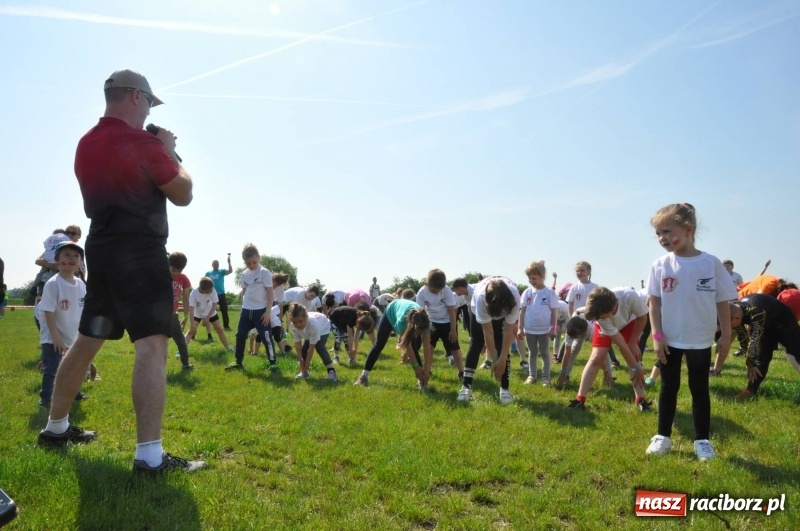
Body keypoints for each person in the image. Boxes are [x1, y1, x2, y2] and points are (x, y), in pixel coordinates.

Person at [36, 68, 204, 473]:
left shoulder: (86, 142)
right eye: (148, 103)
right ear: (135, 97)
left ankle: (56, 428)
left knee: (87, 339)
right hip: (140, 250)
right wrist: (169, 151)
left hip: (102, 246)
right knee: (153, 343)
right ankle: (150, 456)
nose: (149, 112)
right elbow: (183, 194)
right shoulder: (144, 142)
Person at [645, 203, 736, 462]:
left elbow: (722, 301)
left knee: (700, 390)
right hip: (669, 339)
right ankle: (662, 436)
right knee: (668, 387)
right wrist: (657, 337)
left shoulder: (710, 263)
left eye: (667, 231)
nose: (662, 238)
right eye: (658, 233)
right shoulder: (660, 265)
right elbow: (654, 303)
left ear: (688, 229)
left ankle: (702, 441)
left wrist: (726, 335)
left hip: (700, 339)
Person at [563, 287, 650, 411]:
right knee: (596, 357)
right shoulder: (601, 317)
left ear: (613, 310)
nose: (599, 319)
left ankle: (641, 400)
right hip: (607, 325)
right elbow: (621, 345)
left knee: (633, 356)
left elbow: (642, 318)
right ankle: (579, 399)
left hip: (629, 324)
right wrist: (636, 368)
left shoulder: (630, 296)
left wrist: (633, 342)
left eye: (601, 317)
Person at [35, 242, 87, 409]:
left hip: (72, 335)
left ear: (80, 263)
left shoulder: (81, 284)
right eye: (67, 255)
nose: (72, 258)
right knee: (52, 368)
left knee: (74, 367)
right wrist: (55, 337)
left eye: (76, 256)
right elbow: (48, 311)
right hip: (53, 336)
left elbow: (82, 310)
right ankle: (46, 399)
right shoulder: (53, 283)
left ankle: (74, 392)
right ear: (57, 261)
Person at [456, 277, 520, 405]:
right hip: (479, 307)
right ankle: (466, 387)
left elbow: (508, 332)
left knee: (500, 343)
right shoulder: (481, 299)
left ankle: (505, 389)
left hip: (503, 305)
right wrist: (495, 361)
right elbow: (488, 333)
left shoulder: (514, 299)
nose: (496, 318)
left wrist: (502, 360)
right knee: (476, 342)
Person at [728, 295, 800, 399]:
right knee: (760, 359)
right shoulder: (737, 311)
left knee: (796, 353)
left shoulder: (756, 312)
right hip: (767, 327)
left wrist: (749, 362)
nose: (730, 327)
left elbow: (754, 341)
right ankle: (750, 390)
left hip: (785, 323)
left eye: (730, 325)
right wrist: (750, 364)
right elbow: (742, 338)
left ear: (736, 318)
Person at [354, 299, 433, 389]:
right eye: (417, 332)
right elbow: (408, 346)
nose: (418, 335)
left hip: (409, 314)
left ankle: (422, 381)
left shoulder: (426, 323)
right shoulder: (401, 322)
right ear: (412, 327)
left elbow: (427, 347)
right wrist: (416, 367)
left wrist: (427, 370)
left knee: (415, 346)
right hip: (391, 310)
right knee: (379, 344)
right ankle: (363, 376)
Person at [228, 243, 276, 372]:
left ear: (259, 258)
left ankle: (273, 364)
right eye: (248, 263)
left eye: (254, 262)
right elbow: (244, 291)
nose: (252, 265)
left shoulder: (265, 272)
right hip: (246, 310)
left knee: (266, 337)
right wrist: (242, 307)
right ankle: (238, 362)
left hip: (261, 311)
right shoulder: (244, 274)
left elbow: (270, 293)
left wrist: (268, 311)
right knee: (240, 335)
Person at [416, 269, 465, 380]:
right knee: (429, 347)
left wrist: (453, 330)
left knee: (454, 348)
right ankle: (427, 370)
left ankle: (462, 372)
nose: (436, 292)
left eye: (439, 290)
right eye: (433, 291)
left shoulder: (446, 290)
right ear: (427, 284)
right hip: (431, 322)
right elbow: (420, 311)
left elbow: (452, 311)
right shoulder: (422, 292)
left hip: (447, 323)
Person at [517, 261, 559, 386]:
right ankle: (532, 375)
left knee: (545, 353)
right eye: (529, 278)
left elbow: (554, 313)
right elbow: (522, 311)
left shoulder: (550, 293)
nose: (532, 281)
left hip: (545, 330)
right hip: (530, 329)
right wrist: (520, 328)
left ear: (542, 276)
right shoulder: (527, 292)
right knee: (532, 353)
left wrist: (553, 328)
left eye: (534, 278)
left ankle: (546, 378)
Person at [287, 304, 338, 381]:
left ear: (306, 317)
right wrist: (300, 359)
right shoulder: (293, 326)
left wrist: (306, 365)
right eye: (295, 322)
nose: (298, 325)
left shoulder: (313, 325)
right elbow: (298, 344)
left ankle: (331, 371)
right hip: (310, 332)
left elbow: (311, 349)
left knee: (319, 347)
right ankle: (304, 372)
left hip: (323, 327)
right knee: (304, 349)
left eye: (300, 321)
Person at [185, 277, 234, 352]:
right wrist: (192, 325)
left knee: (219, 329)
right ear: (202, 289)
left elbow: (215, 304)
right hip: (197, 314)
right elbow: (191, 310)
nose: (211, 291)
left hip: (211, 313)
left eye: (212, 289)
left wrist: (207, 318)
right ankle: (181, 351)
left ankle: (228, 348)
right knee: (190, 331)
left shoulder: (212, 289)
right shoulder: (194, 293)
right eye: (209, 290)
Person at [168, 252, 194, 371]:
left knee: (181, 341)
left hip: (173, 316)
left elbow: (185, 298)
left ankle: (186, 365)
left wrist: (186, 315)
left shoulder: (183, 279)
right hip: (158, 316)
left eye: (179, 271)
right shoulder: (161, 274)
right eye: (173, 270)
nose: (175, 273)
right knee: (158, 343)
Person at [205, 256, 233, 330]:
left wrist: (229, 263)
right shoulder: (208, 273)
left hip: (221, 294)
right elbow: (204, 283)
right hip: (211, 294)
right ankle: (212, 325)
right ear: (212, 265)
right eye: (215, 264)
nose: (216, 265)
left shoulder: (221, 271)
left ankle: (226, 325)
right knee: (210, 310)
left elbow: (230, 271)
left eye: (217, 264)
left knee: (224, 310)